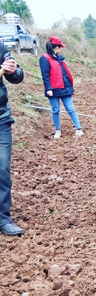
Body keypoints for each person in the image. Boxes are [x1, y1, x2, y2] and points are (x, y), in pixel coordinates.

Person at [0, 41, 25, 236]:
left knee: (2, 168)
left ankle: (3, 218)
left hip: (1, 118)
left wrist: (12, 70)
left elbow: (18, 76)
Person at [39, 36, 84, 139]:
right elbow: (45, 75)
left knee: (70, 108)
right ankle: (57, 130)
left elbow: (64, 74)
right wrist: (49, 88)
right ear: (56, 47)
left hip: (65, 88)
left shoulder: (59, 58)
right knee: (55, 110)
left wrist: (70, 86)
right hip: (53, 89)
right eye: (60, 47)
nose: (61, 49)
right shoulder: (44, 58)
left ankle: (79, 129)